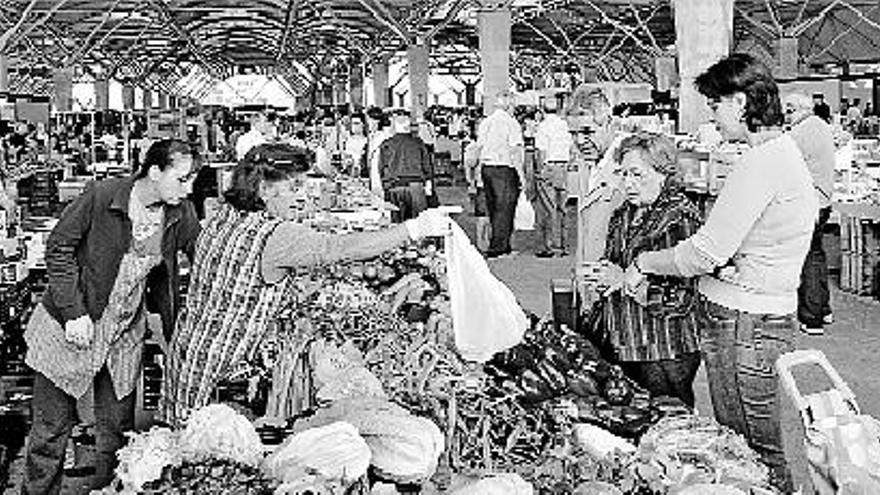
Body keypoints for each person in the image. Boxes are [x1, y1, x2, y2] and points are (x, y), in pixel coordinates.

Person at [625, 54, 816, 492]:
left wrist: (644, 263)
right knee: (749, 446)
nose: (712, 117)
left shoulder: (761, 162)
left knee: (752, 450)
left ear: (740, 102)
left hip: (745, 325)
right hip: (756, 315)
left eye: (714, 105)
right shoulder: (779, 154)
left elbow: (705, 253)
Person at [161, 143, 451, 425]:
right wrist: (413, 228)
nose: (301, 196)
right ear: (263, 189)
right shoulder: (274, 235)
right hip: (223, 366)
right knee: (208, 449)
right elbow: (336, 248)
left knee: (184, 443)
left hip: (190, 352)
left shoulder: (225, 216)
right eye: (293, 187)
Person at [21, 139, 201, 493]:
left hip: (124, 333)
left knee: (116, 432)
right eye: (182, 179)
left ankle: (110, 490)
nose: (189, 188)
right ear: (154, 172)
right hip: (71, 327)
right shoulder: (103, 197)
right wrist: (73, 311)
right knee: (50, 429)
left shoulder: (180, 214)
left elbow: (205, 258)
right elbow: (59, 248)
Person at [594, 132, 703, 407]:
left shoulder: (679, 217)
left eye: (637, 174)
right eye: (623, 174)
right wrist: (604, 277)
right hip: (626, 341)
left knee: (669, 423)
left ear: (663, 173)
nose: (627, 183)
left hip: (664, 349)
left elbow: (682, 298)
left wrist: (625, 282)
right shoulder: (624, 214)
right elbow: (617, 267)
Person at [785, 92, 836, 335]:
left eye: (788, 108)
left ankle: (811, 317)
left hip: (808, 204)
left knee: (806, 259)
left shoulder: (799, 133)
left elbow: (784, 166)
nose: (786, 113)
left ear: (797, 108)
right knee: (817, 254)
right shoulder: (822, 126)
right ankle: (824, 309)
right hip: (824, 201)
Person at [476, 90, 525, 258]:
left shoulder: (486, 122)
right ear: (510, 105)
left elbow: (479, 147)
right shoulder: (511, 123)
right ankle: (499, 249)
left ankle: (500, 245)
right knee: (505, 210)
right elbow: (515, 151)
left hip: (487, 169)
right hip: (504, 169)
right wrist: (522, 175)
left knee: (493, 209)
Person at [533, 98, 573, 257]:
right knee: (562, 209)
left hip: (548, 168)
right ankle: (562, 246)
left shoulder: (543, 127)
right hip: (563, 168)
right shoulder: (565, 125)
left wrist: (539, 169)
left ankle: (547, 247)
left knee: (547, 208)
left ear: (542, 110)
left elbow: (540, 151)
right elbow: (572, 148)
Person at [378, 111, 433, 221]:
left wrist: (384, 186)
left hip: (394, 187)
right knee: (419, 226)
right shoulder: (418, 143)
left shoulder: (386, 144)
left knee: (397, 227)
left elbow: (381, 168)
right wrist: (428, 184)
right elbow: (427, 167)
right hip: (416, 187)